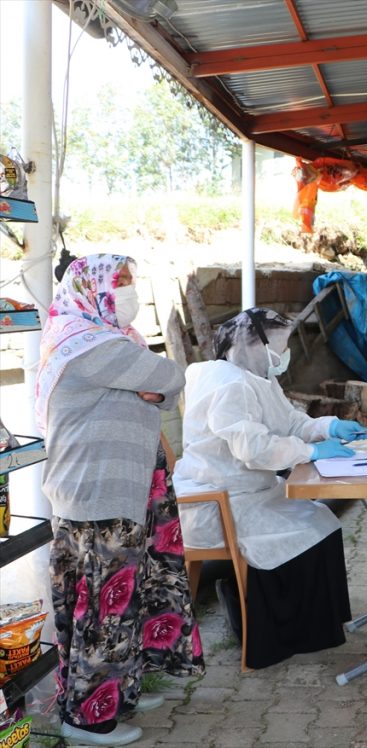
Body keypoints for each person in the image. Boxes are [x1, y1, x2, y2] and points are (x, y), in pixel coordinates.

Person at [37, 254, 204, 747]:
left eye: (131, 282)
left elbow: (162, 388)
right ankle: (87, 719)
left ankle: (120, 689)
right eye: (119, 283)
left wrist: (151, 388)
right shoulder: (85, 342)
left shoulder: (110, 339)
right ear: (90, 289)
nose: (127, 292)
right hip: (98, 495)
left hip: (123, 487)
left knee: (126, 595)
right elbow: (170, 376)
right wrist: (152, 387)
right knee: (103, 605)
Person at [173, 308, 359, 669]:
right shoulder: (230, 385)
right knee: (312, 527)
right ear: (255, 345)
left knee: (320, 519)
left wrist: (328, 427)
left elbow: (287, 420)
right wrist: (310, 451)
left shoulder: (254, 376)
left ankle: (307, 626)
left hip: (247, 490)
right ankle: (279, 630)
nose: (284, 353)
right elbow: (253, 448)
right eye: (280, 345)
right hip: (219, 500)